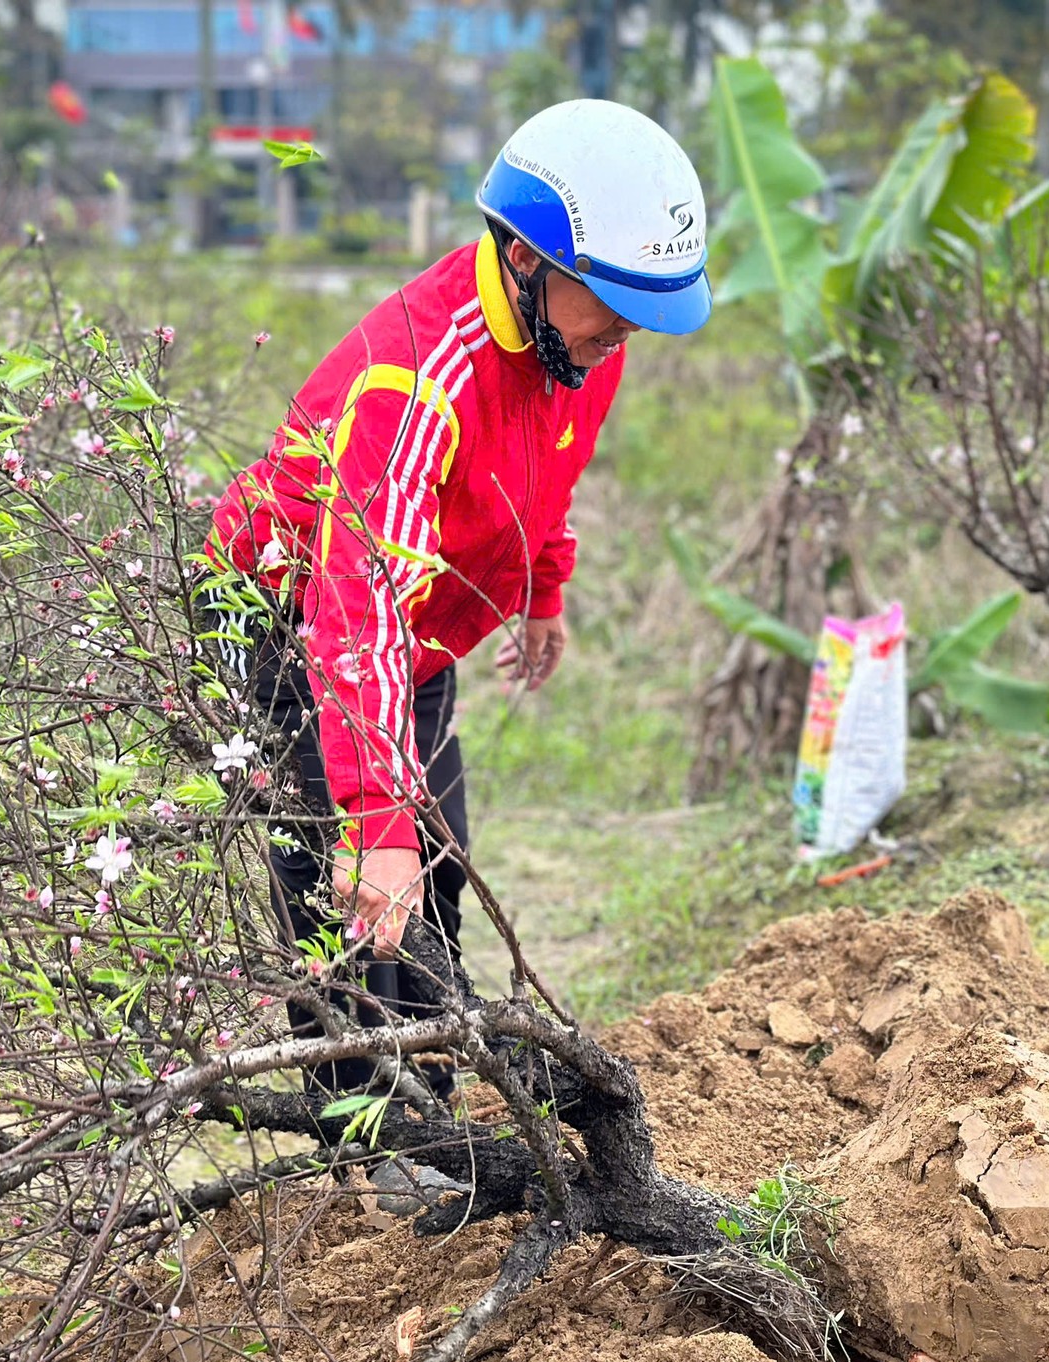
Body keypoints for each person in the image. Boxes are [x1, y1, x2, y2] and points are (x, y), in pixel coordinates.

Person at [203, 98, 712, 1093]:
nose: (628, 328)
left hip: (410, 629)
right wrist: (375, 823)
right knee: (353, 893)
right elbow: (356, 612)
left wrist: (540, 589)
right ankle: (362, 1144)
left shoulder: (578, 346)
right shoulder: (413, 378)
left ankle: (433, 1108)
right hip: (288, 621)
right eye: (611, 299)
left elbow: (542, 471)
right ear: (524, 259)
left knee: (437, 875)